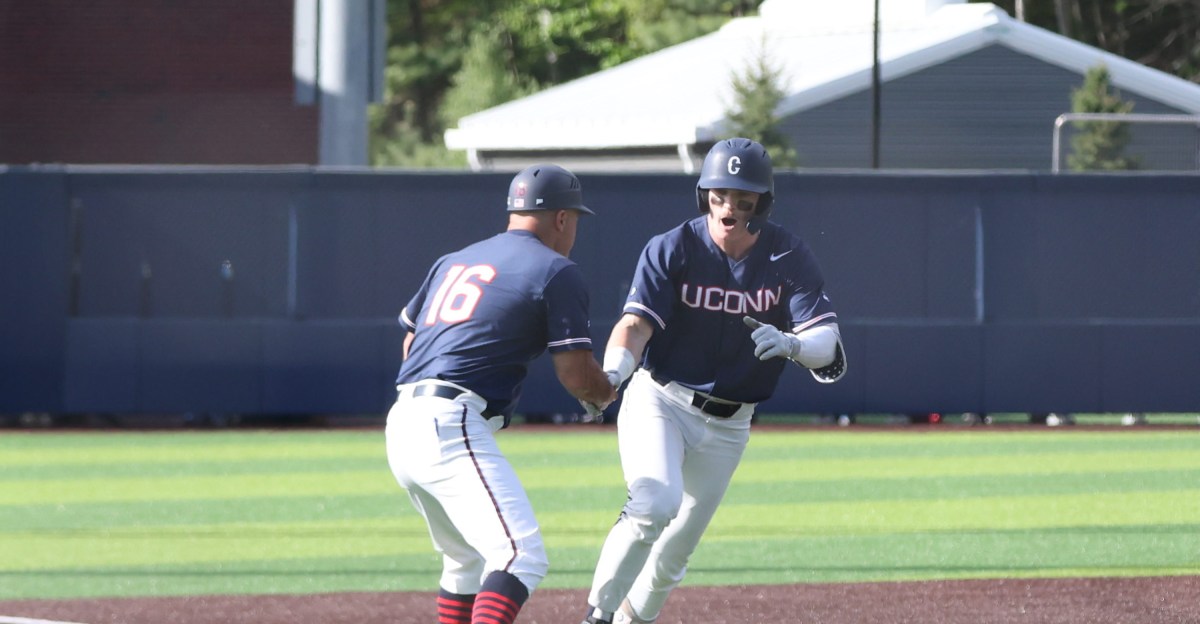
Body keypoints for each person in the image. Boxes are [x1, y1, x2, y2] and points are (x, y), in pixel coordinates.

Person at [579, 138, 847, 624]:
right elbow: (635, 324)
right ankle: (596, 615)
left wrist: (792, 344)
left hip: (730, 423)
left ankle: (629, 621)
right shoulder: (673, 247)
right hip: (661, 399)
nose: (729, 207)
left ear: (761, 204)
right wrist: (614, 372)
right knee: (653, 503)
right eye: (720, 194)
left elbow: (826, 342)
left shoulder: (787, 254)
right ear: (705, 195)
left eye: (742, 199)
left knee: (674, 553)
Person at [384, 163, 617, 624]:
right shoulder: (556, 270)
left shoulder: (455, 259)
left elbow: (411, 339)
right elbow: (575, 374)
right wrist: (604, 392)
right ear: (562, 219)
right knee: (520, 557)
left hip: (403, 419)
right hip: (450, 423)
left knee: (464, 561)